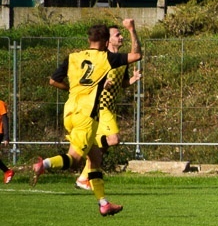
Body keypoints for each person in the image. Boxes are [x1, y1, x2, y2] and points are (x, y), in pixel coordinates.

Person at [31, 20, 142, 216]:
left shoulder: (73, 57)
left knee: (95, 157)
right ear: (106, 41)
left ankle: (103, 203)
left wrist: (72, 89)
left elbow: (53, 81)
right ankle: (44, 164)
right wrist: (132, 30)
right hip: (87, 116)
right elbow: (137, 55)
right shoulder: (106, 58)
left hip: (69, 112)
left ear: (89, 39)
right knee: (74, 159)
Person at [70, 24, 142, 192]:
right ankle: (87, 150)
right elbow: (85, 81)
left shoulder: (120, 60)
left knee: (106, 145)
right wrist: (101, 85)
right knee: (113, 139)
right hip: (100, 106)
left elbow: (122, 82)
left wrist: (131, 80)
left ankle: (83, 178)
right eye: (117, 35)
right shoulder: (103, 59)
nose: (121, 37)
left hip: (110, 107)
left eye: (121, 34)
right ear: (107, 40)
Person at [0, 99, 13, 184]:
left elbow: (5, 120)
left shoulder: (0, 103)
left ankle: (7, 171)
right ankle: (7, 171)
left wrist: (6, 136)